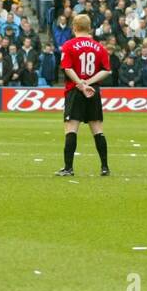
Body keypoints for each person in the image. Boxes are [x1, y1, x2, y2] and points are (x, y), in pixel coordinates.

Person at [55, 13, 112, 177]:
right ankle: (105, 167)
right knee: (97, 130)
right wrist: (89, 83)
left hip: (75, 91)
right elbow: (106, 70)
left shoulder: (69, 45)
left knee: (71, 128)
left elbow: (67, 68)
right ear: (89, 28)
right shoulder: (99, 47)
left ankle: (68, 168)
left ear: (74, 27)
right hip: (93, 91)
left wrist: (80, 84)